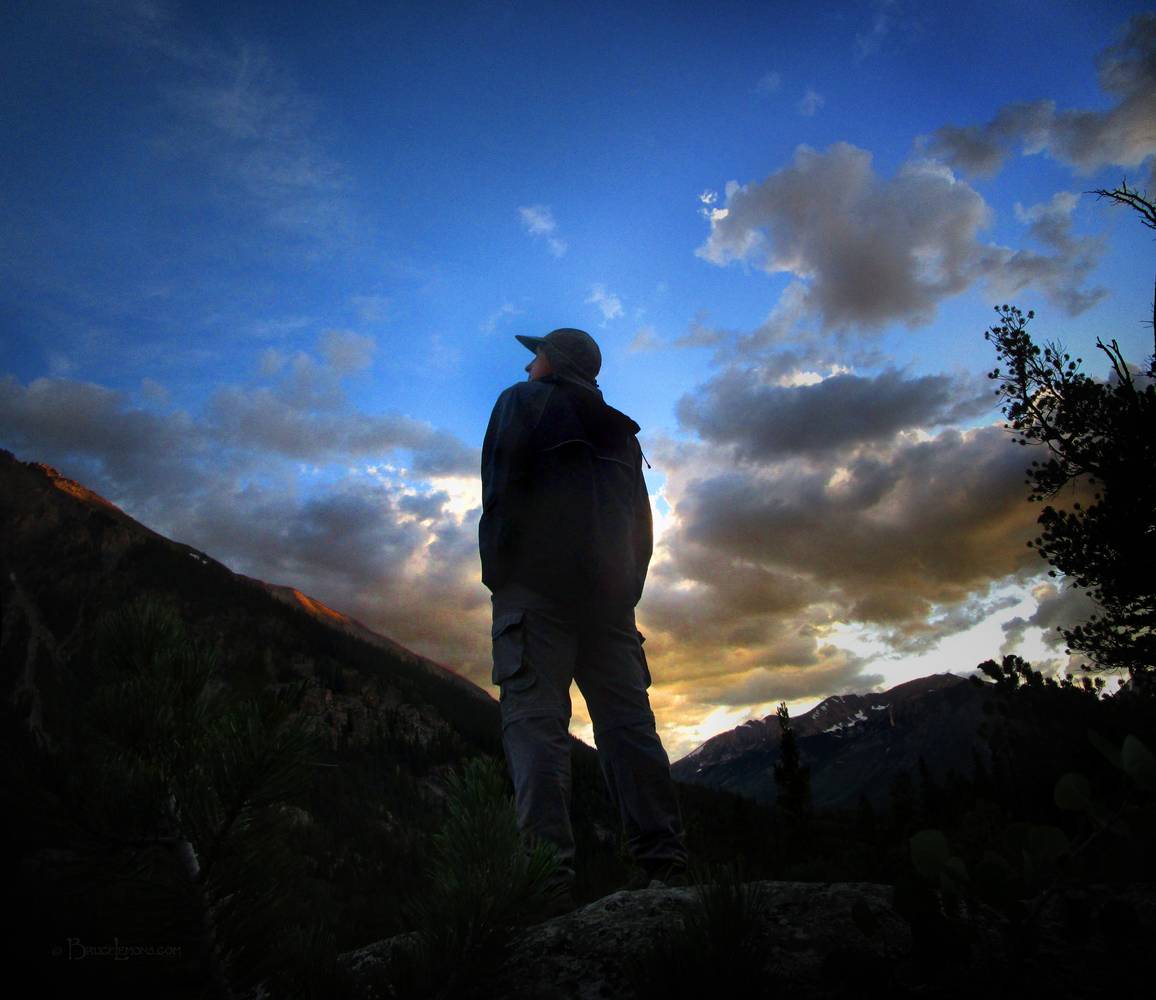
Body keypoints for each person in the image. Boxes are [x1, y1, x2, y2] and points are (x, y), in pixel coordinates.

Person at [479, 327, 688, 903]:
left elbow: (498, 493)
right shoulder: (620, 429)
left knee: (536, 727)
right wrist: (625, 590)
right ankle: (665, 865)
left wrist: (504, 576)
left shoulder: (519, 402)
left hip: (533, 597)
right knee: (628, 728)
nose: (528, 368)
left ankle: (547, 883)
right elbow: (642, 524)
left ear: (554, 361)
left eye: (536, 357)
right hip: (611, 602)